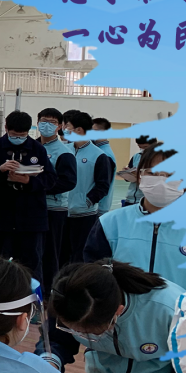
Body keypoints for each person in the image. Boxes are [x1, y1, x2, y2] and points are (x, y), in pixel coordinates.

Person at [85, 144, 186, 290]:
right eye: (152, 173)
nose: (161, 181)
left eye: (171, 175)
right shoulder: (110, 224)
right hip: (122, 308)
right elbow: (94, 276)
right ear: (139, 177)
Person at [50, 259, 186, 373]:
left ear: (118, 312)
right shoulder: (66, 300)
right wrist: (49, 364)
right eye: (74, 330)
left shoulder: (171, 310)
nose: (80, 335)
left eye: (89, 334)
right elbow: (57, 340)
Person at [0, 110, 57, 282]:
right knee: (3, 264)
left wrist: (28, 181)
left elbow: (51, 179)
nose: (18, 138)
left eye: (22, 135)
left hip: (32, 218)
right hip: (2, 217)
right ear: (6, 128)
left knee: (32, 264)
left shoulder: (38, 149)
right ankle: (4, 295)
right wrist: (0, 169)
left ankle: (32, 297)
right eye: (14, 135)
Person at [61, 111, 113, 265]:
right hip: (62, 211)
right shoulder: (64, 150)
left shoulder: (99, 155)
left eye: (67, 126)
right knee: (61, 253)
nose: (64, 129)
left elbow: (103, 185)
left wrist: (87, 201)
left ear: (79, 130)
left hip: (84, 214)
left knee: (80, 255)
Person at [37, 108, 77, 294]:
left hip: (54, 209)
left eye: (52, 122)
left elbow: (68, 181)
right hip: (33, 207)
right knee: (33, 252)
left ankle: (48, 293)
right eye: (43, 121)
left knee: (50, 253)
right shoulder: (32, 147)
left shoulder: (64, 152)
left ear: (59, 126)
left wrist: (39, 186)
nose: (47, 125)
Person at [121, 135, 160, 206]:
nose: (142, 150)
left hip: (147, 201)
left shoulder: (159, 160)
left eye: (145, 147)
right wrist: (127, 174)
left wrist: (139, 177)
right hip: (131, 199)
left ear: (154, 145)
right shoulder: (136, 156)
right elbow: (128, 179)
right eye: (140, 147)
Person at [91, 117, 118, 214]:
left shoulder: (105, 155)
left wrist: (91, 200)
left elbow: (103, 184)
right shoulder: (97, 150)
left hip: (99, 206)